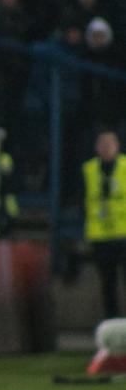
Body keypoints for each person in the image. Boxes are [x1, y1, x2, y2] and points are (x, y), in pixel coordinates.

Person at [83, 130, 126, 319]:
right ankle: (112, 323)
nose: (107, 148)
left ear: (117, 146)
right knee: (107, 283)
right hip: (100, 237)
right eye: (103, 145)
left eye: (110, 144)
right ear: (97, 148)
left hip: (123, 234)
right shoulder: (88, 169)